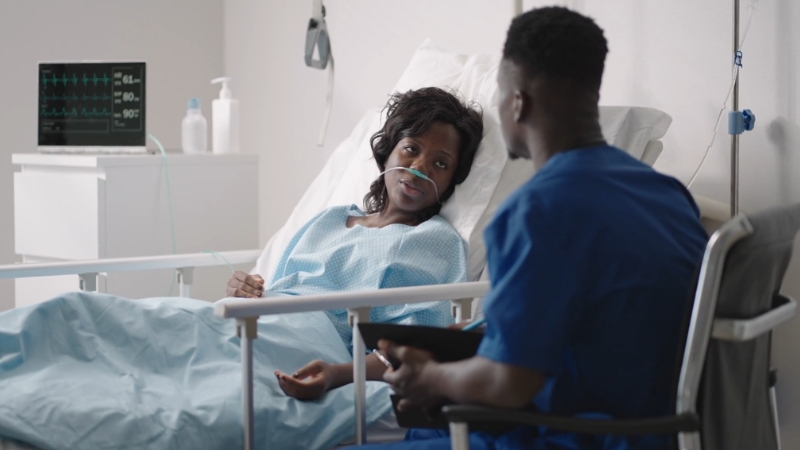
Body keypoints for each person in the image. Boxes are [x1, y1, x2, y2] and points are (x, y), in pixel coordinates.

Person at [0, 87, 484, 450]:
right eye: (412, 149)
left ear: (453, 181)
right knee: (84, 315)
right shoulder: (330, 219)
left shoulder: (434, 242)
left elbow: (413, 348)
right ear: (389, 151)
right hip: (240, 322)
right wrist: (249, 288)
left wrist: (339, 373)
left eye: (440, 164)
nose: (420, 168)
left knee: (179, 402)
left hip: (307, 343)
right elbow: (280, 287)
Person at [355, 7, 708, 450]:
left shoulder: (534, 213)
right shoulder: (669, 195)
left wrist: (430, 377)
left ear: (517, 103)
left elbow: (510, 384)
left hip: (575, 435)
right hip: (656, 431)